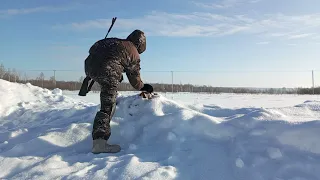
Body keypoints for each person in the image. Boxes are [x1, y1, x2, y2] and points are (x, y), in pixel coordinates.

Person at [81, 29, 154, 154]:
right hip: (108, 70)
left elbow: (95, 50)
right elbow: (134, 80)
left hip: (89, 67)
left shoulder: (115, 42)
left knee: (109, 86)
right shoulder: (133, 52)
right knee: (107, 106)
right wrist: (144, 87)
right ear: (140, 45)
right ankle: (99, 143)